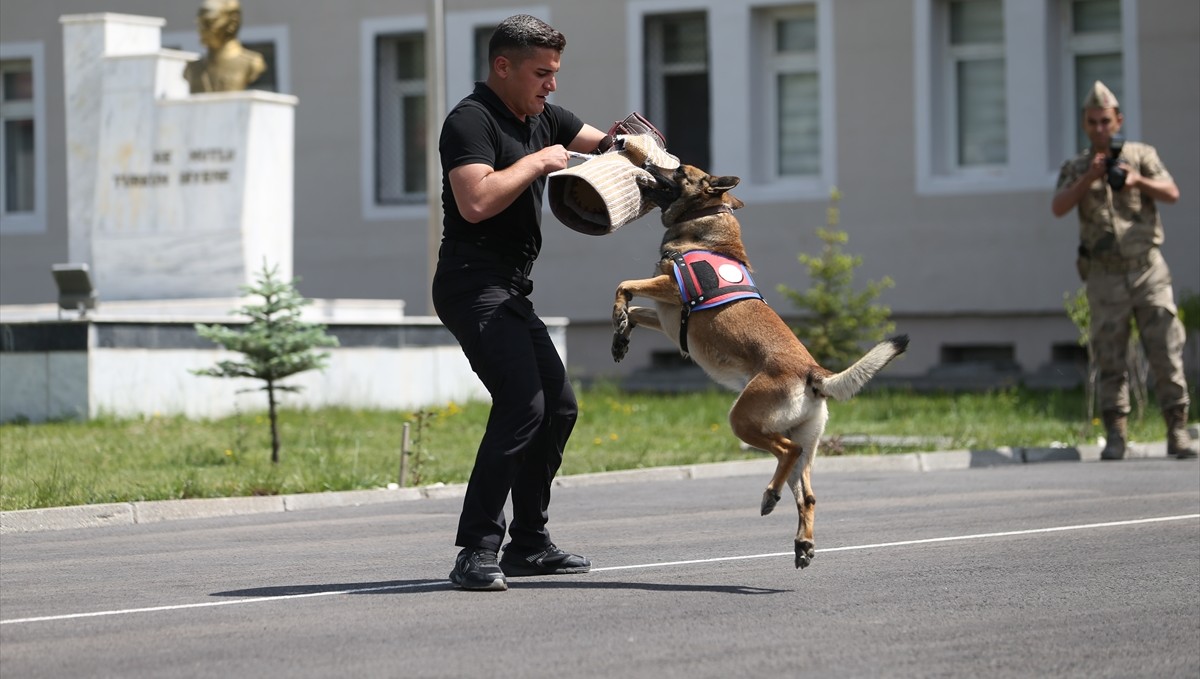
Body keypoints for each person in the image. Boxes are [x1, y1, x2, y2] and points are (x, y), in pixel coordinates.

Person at [432, 15, 611, 591]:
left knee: (557, 408)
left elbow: (603, 146)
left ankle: (528, 545)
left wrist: (644, 153)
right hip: (471, 283)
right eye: (541, 73)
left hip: (510, 287)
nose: (551, 86)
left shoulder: (545, 116)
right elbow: (476, 201)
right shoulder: (470, 121)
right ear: (502, 66)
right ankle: (475, 551)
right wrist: (537, 161)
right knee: (522, 405)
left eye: (555, 73)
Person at [1051, 80, 1196, 460]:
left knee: (1166, 351)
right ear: (1085, 124)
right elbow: (1058, 206)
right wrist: (1089, 179)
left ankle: (1177, 432)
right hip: (1105, 275)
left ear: (1118, 121)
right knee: (1109, 354)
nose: (1100, 128)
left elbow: (1173, 192)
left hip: (1148, 270)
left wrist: (1136, 179)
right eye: (1092, 122)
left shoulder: (1141, 155)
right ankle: (1116, 436)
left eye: (1105, 121)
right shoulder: (1077, 166)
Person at [183, 0, 266, 93]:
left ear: (233, 22)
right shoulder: (192, 69)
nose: (201, 29)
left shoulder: (252, 63)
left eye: (209, 22)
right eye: (200, 23)